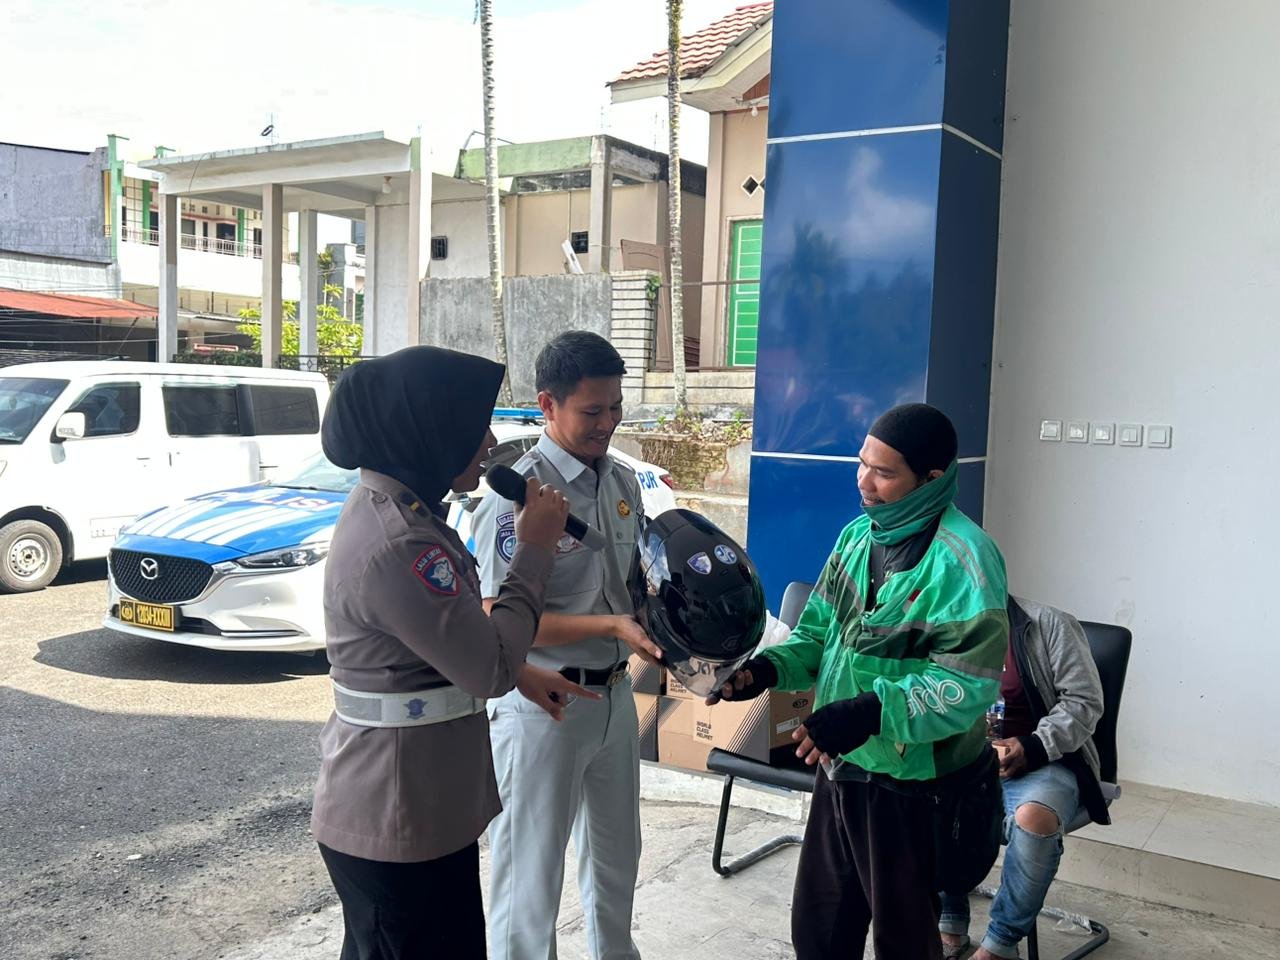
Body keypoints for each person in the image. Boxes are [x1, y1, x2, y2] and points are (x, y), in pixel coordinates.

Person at [310, 346, 597, 960]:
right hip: (397, 815)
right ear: (430, 432)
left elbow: (433, 645)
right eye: (475, 427)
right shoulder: (400, 543)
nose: (489, 443)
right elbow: (487, 668)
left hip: (420, 807)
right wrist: (534, 550)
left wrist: (520, 670)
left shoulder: (400, 511)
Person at [713, 402, 1009, 960]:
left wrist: (870, 711)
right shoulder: (856, 538)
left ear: (931, 478)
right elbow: (816, 634)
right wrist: (764, 670)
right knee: (820, 932)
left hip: (914, 785)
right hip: (842, 766)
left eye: (884, 472)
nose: (863, 482)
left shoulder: (966, 561)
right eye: (862, 463)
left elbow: (965, 687)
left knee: (904, 942)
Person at [473, 331, 660, 960]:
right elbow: (497, 616)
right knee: (529, 878)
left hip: (613, 699)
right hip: (542, 707)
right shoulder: (516, 496)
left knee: (617, 862)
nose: (608, 423)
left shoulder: (623, 482)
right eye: (592, 411)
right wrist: (609, 627)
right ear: (547, 405)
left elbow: (632, 586)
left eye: (616, 407)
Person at [938, 596, 1108, 960]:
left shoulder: (1048, 625)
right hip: (963, 760)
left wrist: (1033, 746)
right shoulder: (935, 625)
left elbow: (1083, 702)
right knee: (919, 797)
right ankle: (947, 919)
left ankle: (1000, 944)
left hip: (1045, 760)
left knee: (1033, 818)